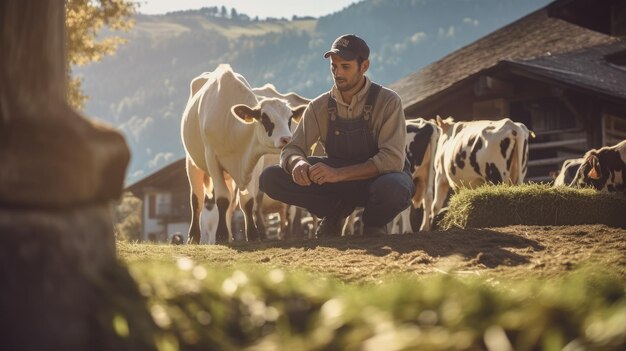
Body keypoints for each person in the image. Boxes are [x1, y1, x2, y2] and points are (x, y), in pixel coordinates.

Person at [259, 34, 415, 237]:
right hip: (337, 184)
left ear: (364, 66)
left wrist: (339, 174)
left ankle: (374, 224)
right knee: (271, 178)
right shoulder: (319, 106)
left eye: (345, 66)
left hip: (380, 179)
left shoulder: (388, 101)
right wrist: (297, 163)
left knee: (395, 187)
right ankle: (334, 213)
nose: (338, 73)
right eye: (334, 66)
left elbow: (392, 160)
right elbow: (292, 148)